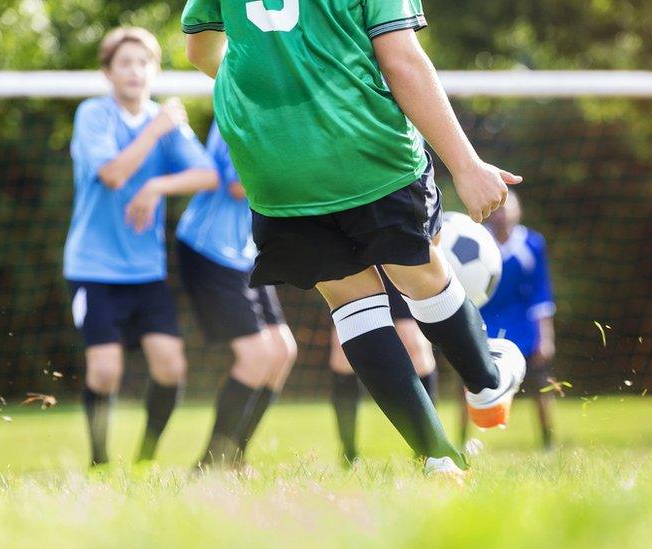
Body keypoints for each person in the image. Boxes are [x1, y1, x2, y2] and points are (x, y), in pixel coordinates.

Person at [182, 0, 527, 476]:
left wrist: (275, 92)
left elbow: (200, 50)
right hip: (364, 147)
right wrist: (466, 165)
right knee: (420, 272)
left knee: (350, 299)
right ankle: (487, 382)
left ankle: (438, 458)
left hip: (273, 160)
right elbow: (401, 59)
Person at [64, 27, 218, 467]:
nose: (135, 71)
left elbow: (207, 175)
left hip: (146, 271)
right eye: (125, 62)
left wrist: (155, 185)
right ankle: (99, 463)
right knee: (105, 370)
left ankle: (145, 461)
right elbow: (112, 174)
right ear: (107, 72)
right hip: (93, 268)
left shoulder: (162, 122)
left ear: (154, 70)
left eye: (144, 62)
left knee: (171, 367)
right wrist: (154, 133)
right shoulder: (94, 115)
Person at [177, 125, 298, 469]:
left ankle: (235, 459)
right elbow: (235, 185)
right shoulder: (238, 99)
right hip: (209, 249)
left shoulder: (285, 106)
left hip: (243, 253)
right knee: (256, 356)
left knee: (282, 351)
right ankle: (210, 464)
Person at [329, 268, 437, 466]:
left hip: (395, 255)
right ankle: (348, 453)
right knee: (342, 352)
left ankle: (429, 449)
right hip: (355, 256)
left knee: (416, 345)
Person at [478, 190, 557, 450]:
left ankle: (548, 441)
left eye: (508, 208)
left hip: (523, 327)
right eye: (498, 209)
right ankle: (463, 438)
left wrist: (545, 336)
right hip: (485, 323)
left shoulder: (532, 244)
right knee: (468, 383)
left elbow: (540, 293)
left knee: (540, 385)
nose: (503, 214)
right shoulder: (478, 242)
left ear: (518, 211)